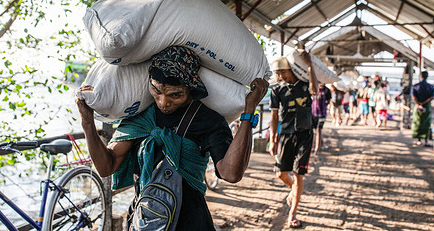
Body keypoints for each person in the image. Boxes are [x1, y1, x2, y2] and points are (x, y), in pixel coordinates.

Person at [76, 46, 268, 230]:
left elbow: (230, 173)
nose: (164, 102)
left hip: (192, 223)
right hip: (147, 220)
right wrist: (87, 123)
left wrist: (249, 111)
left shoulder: (208, 120)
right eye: (156, 91)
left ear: (191, 89)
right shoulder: (141, 117)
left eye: (175, 95)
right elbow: (106, 166)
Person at [268, 52, 318, 229]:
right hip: (286, 135)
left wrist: (310, 64)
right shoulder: (276, 90)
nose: (281, 76)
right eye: (278, 73)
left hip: (305, 134)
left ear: (291, 69)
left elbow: (315, 91)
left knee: (298, 174)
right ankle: (293, 190)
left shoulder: (305, 85)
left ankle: (292, 214)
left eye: (283, 71)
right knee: (281, 173)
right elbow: (274, 116)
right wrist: (273, 139)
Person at [411, 71, 434, 147]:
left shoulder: (415, 86)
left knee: (417, 122)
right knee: (426, 123)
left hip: (417, 106)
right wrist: (424, 103)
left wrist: (418, 103)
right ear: (427, 76)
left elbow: (413, 96)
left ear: (421, 76)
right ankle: (426, 141)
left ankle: (418, 140)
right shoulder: (430, 86)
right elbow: (432, 96)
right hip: (426, 106)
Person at [311, 83, 331, 155]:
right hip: (313, 113)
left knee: (319, 130)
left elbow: (328, 101)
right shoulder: (313, 88)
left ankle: (317, 148)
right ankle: (321, 143)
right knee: (315, 130)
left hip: (322, 113)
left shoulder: (327, 90)